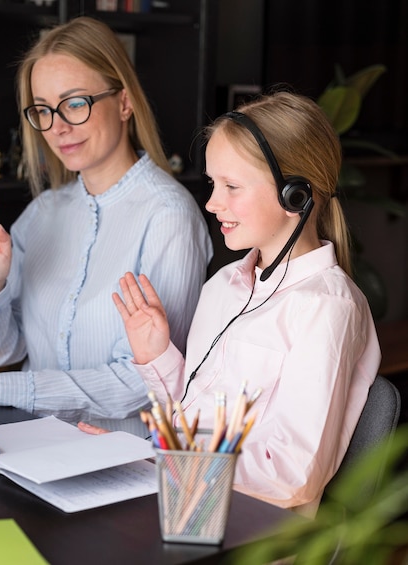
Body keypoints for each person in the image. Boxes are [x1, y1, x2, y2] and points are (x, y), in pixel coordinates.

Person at [0, 16, 213, 435]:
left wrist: (0, 389)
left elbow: (142, 383)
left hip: (118, 466)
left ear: (124, 102)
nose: (58, 127)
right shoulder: (43, 213)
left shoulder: (169, 217)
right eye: (43, 110)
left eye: (74, 103)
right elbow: (0, 351)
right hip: (34, 447)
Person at [103, 90, 381, 514]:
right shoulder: (222, 287)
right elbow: (188, 424)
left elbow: (291, 478)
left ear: (296, 195)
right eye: (215, 184)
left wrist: (152, 459)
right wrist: (157, 356)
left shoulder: (327, 308)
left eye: (232, 186)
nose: (213, 203)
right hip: (187, 504)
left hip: (249, 533)